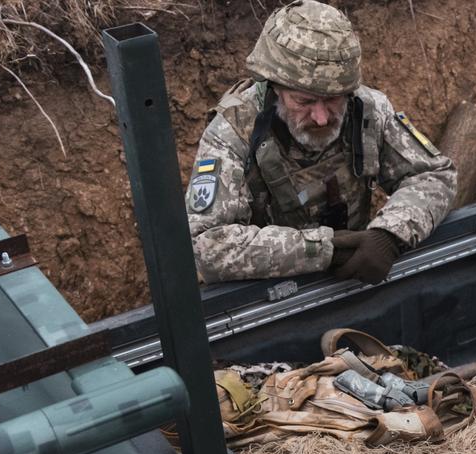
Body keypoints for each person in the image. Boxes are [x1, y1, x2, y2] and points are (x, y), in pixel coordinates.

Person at [184, 0, 456, 284]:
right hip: (266, 297)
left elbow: (433, 175)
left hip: (356, 279)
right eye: (304, 101)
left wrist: (389, 234)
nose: (322, 118)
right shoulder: (233, 131)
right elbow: (206, 244)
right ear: (274, 88)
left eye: (333, 99)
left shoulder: (369, 109)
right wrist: (325, 250)